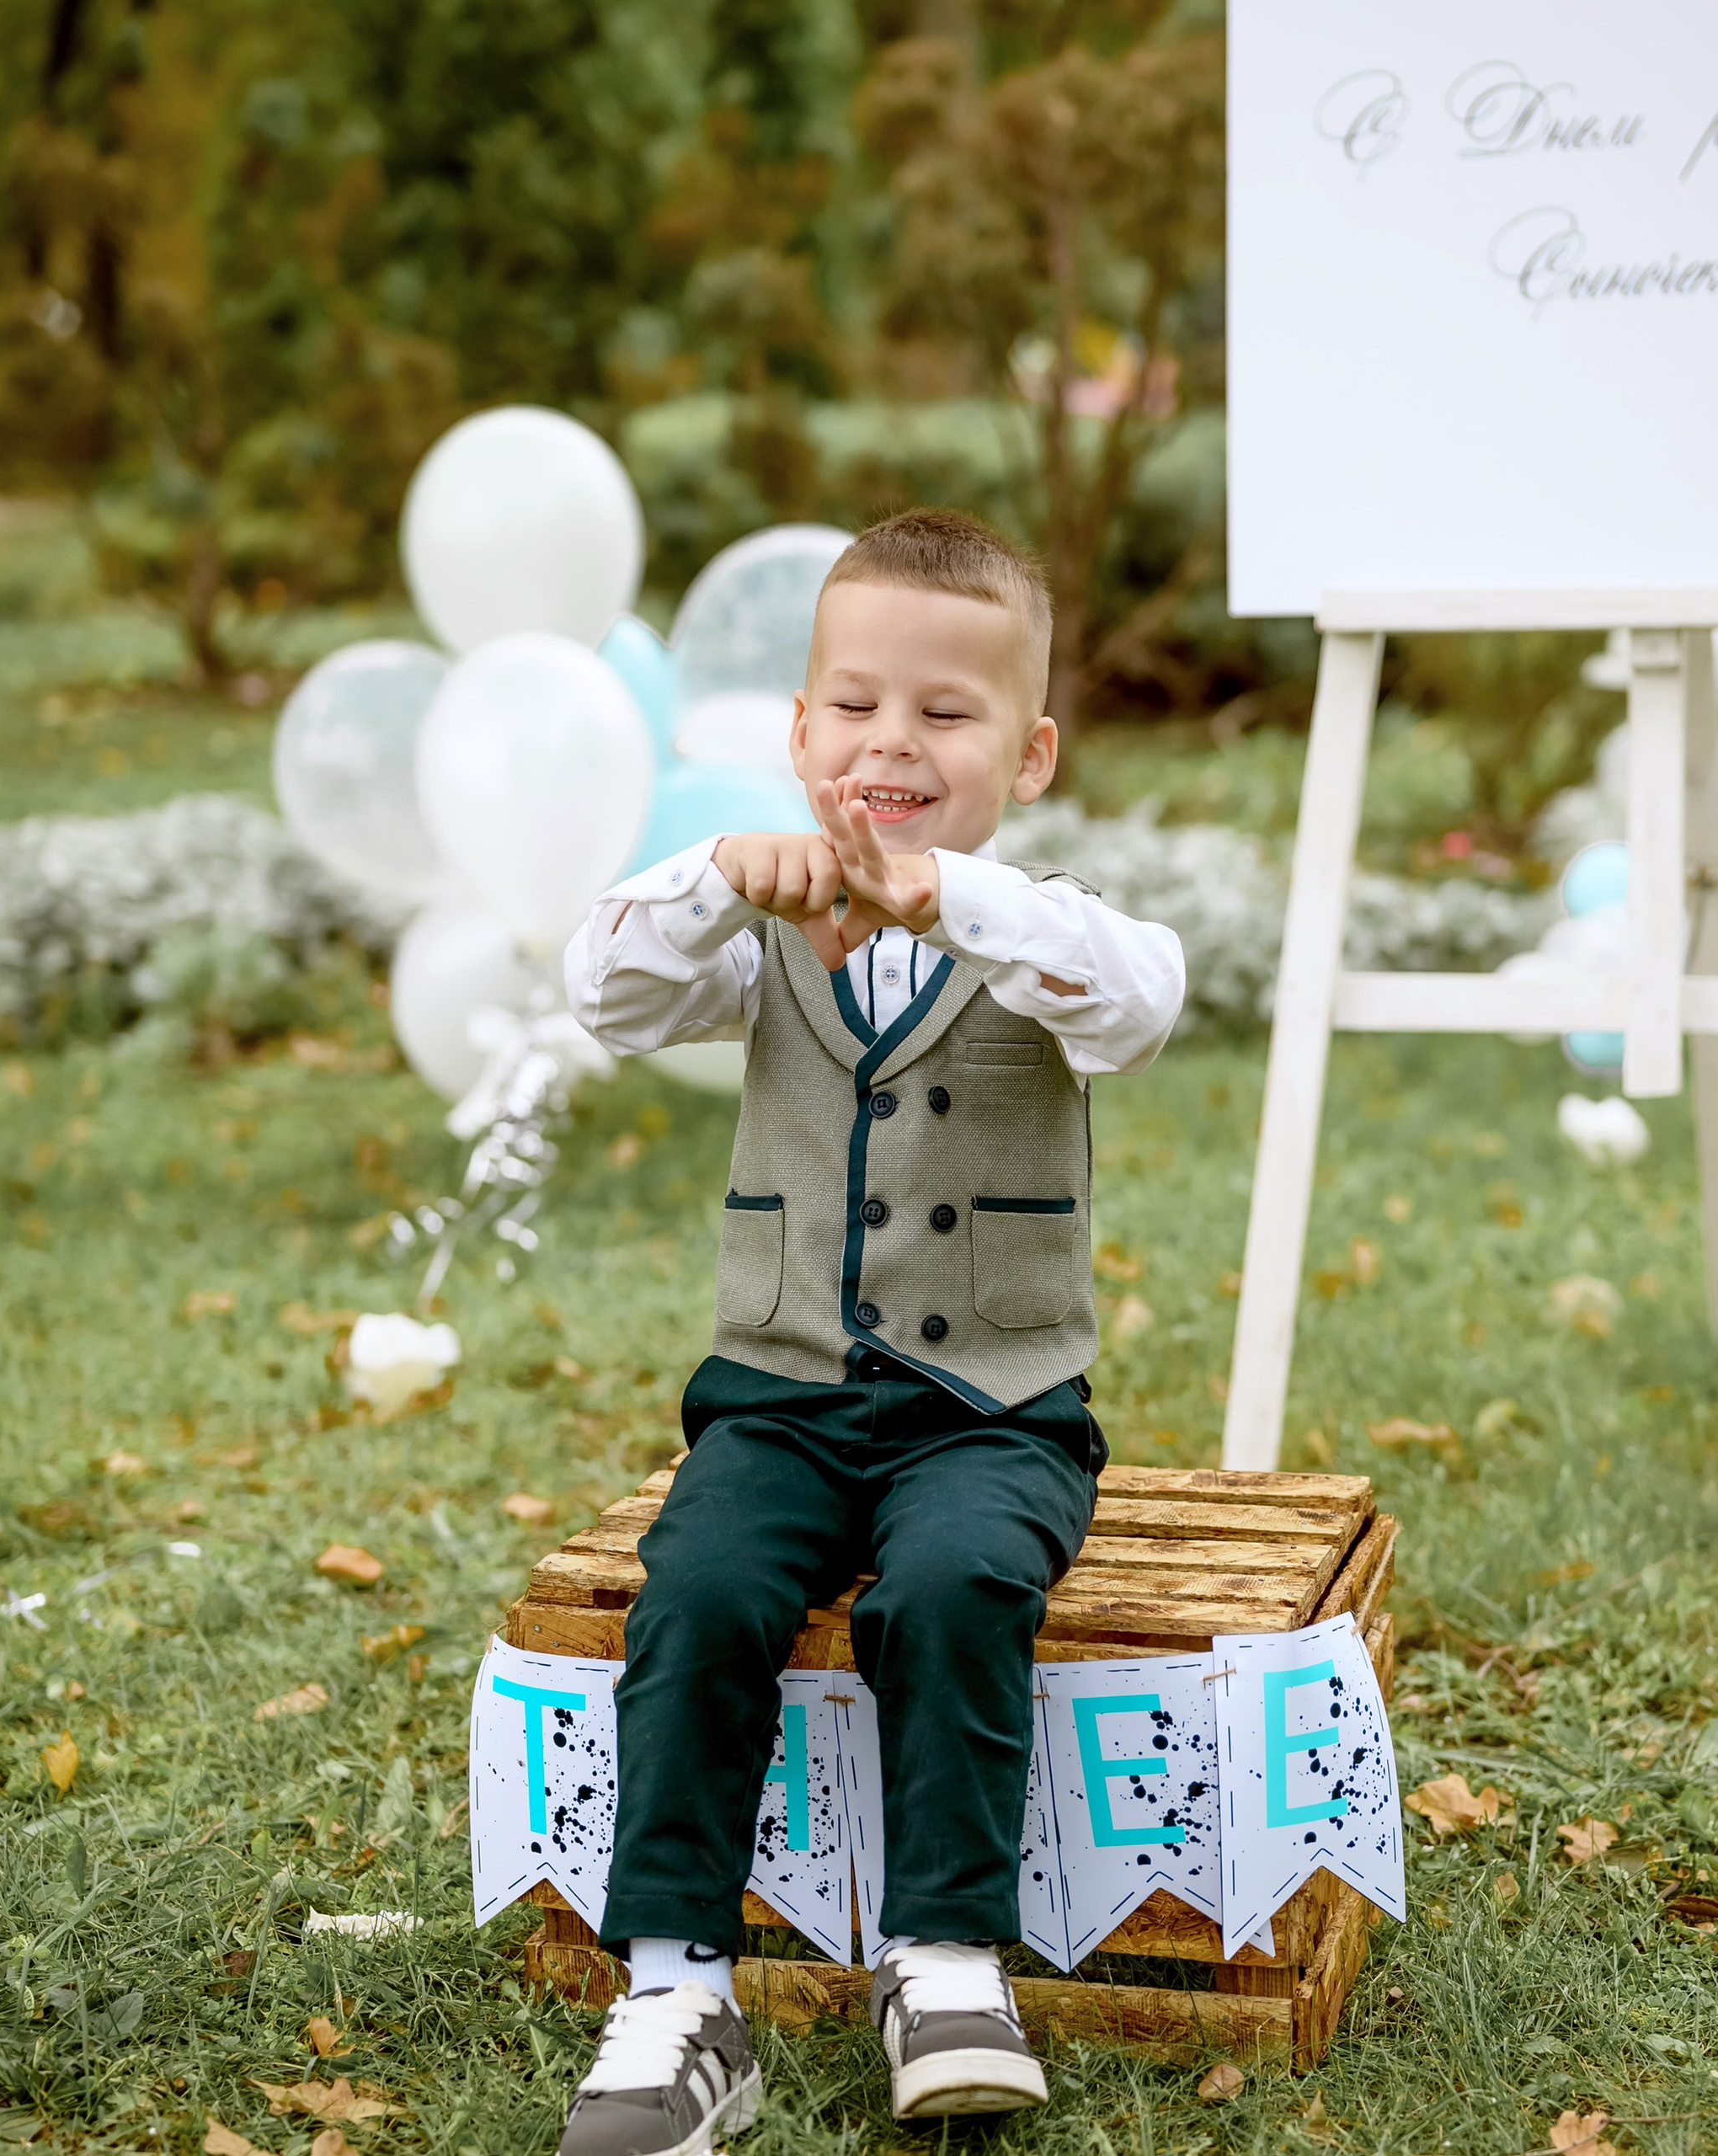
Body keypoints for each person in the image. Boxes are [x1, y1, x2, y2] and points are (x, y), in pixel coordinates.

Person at [557, 508, 1185, 2156]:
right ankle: (679, 1987)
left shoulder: (1044, 933)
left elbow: (1139, 999)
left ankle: (946, 1954)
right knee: (697, 1587)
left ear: (1028, 751)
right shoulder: (754, 919)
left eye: (944, 712)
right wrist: (708, 876)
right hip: (776, 1396)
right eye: (851, 704)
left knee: (961, 1582)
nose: (889, 742)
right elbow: (602, 999)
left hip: (994, 1405)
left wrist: (948, 892)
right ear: (796, 729)